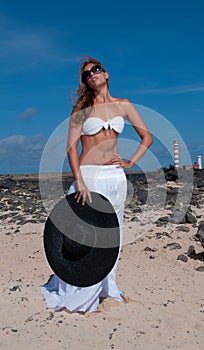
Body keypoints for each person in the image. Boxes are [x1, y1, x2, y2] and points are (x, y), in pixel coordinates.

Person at [41, 56, 153, 313]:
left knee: (114, 234)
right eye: (86, 74)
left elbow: (146, 137)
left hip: (115, 178)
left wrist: (131, 162)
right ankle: (77, 288)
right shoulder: (83, 108)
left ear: (106, 74)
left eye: (96, 69)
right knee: (84, 234)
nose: (92, 74)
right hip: (88, 176)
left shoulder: (123, 104)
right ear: (85, 81)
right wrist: (79, 179)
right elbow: (71, 147)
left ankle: (109, 286)